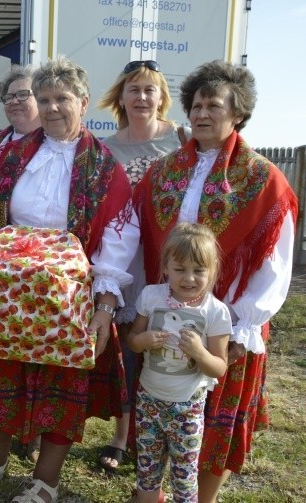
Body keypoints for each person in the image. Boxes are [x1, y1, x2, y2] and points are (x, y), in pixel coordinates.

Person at [0, 57, 139, 503]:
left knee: (61, 389)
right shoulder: (11, 155)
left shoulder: (104, 166)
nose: (53, 108)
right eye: (46, 98)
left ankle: (46, 480)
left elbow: (119, 234)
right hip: (3, 296)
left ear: (84, 102)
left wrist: (106, 305)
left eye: (63, 99)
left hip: (67, 300)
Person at [133, 60, 298, 503]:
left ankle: (201, 500)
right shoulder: (165, 171)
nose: (203, 114)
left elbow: (274, 263)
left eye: (214, 106)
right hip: (169, 312)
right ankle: (151, 490)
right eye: (197, 105)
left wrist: (243, 324)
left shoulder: (265, 179)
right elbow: (140, 232)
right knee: (161, 409)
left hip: (227, 323)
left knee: (216, 419)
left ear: (238, 113)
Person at [95, 59, 187, 473]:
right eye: (134, 89)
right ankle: (122, 435)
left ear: (161, 97)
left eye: (150, 89)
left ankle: (162, 440)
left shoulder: (182, 141)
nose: (142, 97)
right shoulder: (106, 148)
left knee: (164, 343)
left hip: (166, 260)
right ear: (121, 96)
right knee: (126, 347)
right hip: (124, 261)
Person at [127, 222, 230, 503]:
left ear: (212, 271)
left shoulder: (216, 312)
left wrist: (199, 352)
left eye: (199, 270)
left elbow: (219, 366)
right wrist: (144, 339)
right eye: (180, 269)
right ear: (166, 268)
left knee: (184, 476)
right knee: (147, 468)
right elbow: (132, 340)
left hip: (187, 406)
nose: (189, 278)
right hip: (148, 400)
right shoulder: (151, 295)